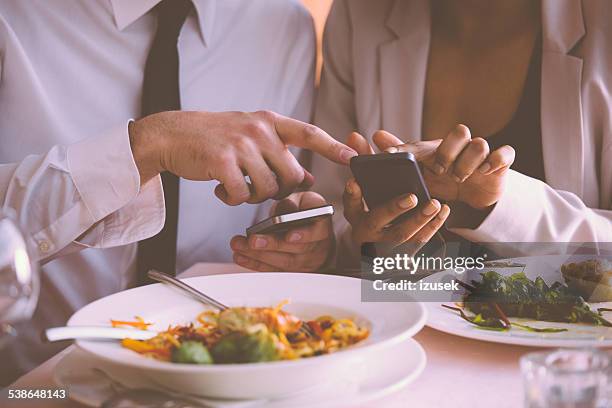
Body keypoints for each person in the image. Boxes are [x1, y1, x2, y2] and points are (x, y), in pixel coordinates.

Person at [0, 0, 355, 384]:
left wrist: (300, 244)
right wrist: (145, 148)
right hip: (31, 382)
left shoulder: (286, 25)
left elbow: (272, 213)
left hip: (230, 382)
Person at [311, 0, 612, 269]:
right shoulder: (360, 12)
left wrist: (497, 208)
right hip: (412, 326)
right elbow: (334, 218)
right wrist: (357, 245)